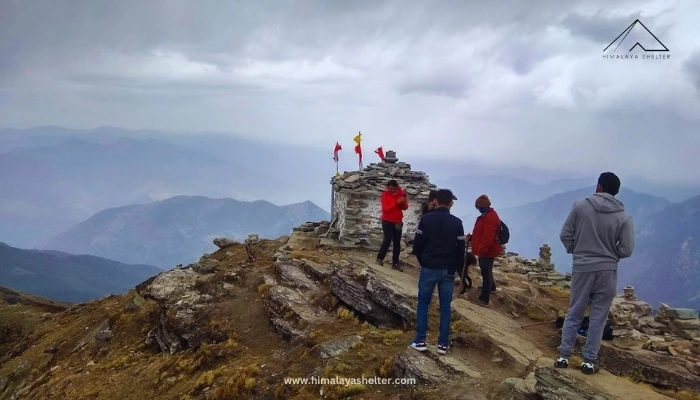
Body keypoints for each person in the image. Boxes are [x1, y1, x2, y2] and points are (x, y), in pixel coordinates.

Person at [555, 172, 634, 375]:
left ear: (598, 187)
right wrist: (609, 255)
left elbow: (565, 234)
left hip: (582, 267)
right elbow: (626, 249)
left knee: (574, 313)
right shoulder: (624, 216)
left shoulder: (580, 206)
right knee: (599, 318)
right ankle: (588, 362)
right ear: (616, 192)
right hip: (607, 271)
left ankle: (563, 356)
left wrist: (577, 250)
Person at [410, 189, 465, 355]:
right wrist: (457, 269)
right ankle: (442, 344)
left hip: (428, 267)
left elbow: (416, 246)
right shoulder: (457, 223)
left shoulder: (426, 219)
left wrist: (423, 261)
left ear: (436, 201)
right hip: (447, 269)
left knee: (423, 303)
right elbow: (461, 250)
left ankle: (420, 340)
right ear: (451, 203)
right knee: (445, 307)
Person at [469, 194, 501, 308]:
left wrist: (481, 250)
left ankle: (484, 298)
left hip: (488, 250)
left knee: (486, 272)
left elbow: (488, 237)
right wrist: (472, 237)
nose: (477, 209)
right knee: (487, 270)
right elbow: (481, 232)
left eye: (478, 207)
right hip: (486, 249)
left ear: (483, 206)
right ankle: (491, 287)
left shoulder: (490, 217)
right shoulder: (487, 215)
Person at [376, 179, 409, 271]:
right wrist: (396, 203)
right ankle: (380, 258)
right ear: (387, 188)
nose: (392, 191)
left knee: (397, 243)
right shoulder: (385, 195)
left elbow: (405, 207)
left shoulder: (401, 194)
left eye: (394, 189)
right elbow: (386, 209)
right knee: (387, 239)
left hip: (398, 221)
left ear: (397, 188)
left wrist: (402, 202)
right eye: (390, 189)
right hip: (386, 220)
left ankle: (395, 263)